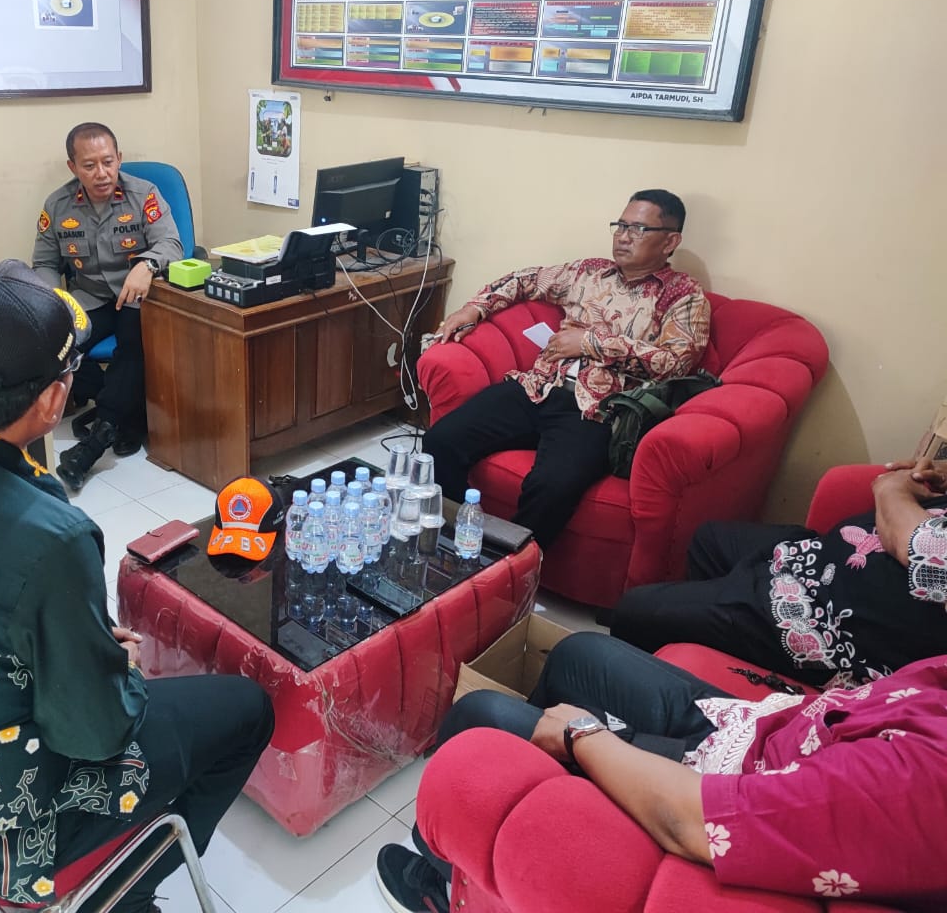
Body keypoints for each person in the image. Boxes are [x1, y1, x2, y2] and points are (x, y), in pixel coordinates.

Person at [0, 261, 271, 912]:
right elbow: (99, 734)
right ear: (54, 400)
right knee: (247, 709)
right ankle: (122, 893)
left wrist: (78, 645)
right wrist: (119, 669)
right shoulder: (49, 535)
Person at [376, 632, 947, 913]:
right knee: (578, 654)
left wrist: (581, 734)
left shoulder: (918, 785)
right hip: (755, 731)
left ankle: (448, 883)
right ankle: (505, 808)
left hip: (716, 790)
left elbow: (696, 823)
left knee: (483, 719)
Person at [423, 190, 710, 550]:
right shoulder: (589, 272)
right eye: (620, 226)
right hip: (537, 387)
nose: (623, 237)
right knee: (440, 441)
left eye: (638, 229)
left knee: (552, 486)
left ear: (670, 241)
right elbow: (524, 279)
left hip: (597, 411)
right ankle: (452, 539)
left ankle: (507, 564)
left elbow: (676, 361)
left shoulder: (683, 295)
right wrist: (472, 309)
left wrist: (590, 343)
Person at [611, 457, 947, 689]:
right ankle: (713, 637)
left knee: (636, 610)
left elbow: (926, 550)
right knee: (708, 540)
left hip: (828, 626)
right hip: (818, 559)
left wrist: (892, 489)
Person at [32, 121, 182, 492]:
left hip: (137, 298)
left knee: (133, 345)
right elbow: (45, 263)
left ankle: (99, 437)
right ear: (73, 167)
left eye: (108, 162)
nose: (101, 173)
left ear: (119, 159)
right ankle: (127, 412)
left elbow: (172, 244)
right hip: (89, 297)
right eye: (89, 165)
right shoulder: (57, 205)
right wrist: (57, 300)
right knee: (52, 346)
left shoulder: (144, 195)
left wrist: (147, 265)